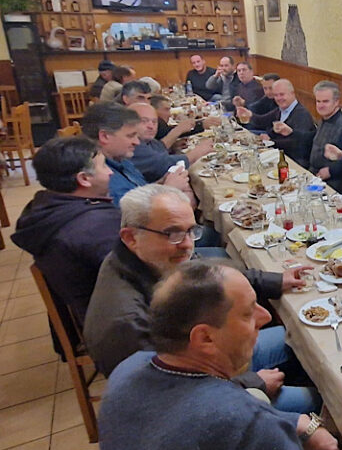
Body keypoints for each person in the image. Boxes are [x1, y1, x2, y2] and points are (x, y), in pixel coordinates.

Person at [98, 262, 342, 450]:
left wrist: (295, 423)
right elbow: (230, 420)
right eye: (248, 312)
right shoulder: (244, 423)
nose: (265, 317)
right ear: (205, 338)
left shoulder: (129, 368)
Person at [84, 185, 320, 414]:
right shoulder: (125, 323)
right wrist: (253, 383)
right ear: (131, 237)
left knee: (301, 337)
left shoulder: (147, 259)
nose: (188, 244)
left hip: (209, 363)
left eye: (191, 231)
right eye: (172, 233)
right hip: (201, 400)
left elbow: (211, 276)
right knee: (316, 399)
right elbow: (171, 399)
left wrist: (277, 281)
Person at [11, 136, 120, 338]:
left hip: (89, 311)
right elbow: (139, 274)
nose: (110, 172)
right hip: (113, 324)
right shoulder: (93, 228)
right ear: (84, 179)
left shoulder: (43, 207)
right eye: (104, 166)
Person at [80, 102, 191, 206]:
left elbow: (140, 192)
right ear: (105, 136)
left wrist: (162, 183)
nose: (136, 142)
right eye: (130, 136)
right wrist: (169, 190)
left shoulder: (120, 159)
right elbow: (133, 217)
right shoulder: (101, 178)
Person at [129, 103, 213, 183]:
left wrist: (172, 147)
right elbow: (163, 164)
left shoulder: (145, 140)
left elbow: (158, 147)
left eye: (154, 122)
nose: (151, 126)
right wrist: (198, 151)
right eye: (144, 121)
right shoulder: (133, 145)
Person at [240, 79, 316, 168]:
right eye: (276, 95)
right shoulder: (281, 110)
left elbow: (298, 143)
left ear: (292, 93)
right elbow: (262, 120)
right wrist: (250, 115)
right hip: (278, 153)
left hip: (294, 161)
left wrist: (271, 141)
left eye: (282, 94)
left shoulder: (301, 114)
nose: (279, 98)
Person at [308, 81, 342, 193]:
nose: (320, 105)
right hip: (314, 175)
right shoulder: (323, 120)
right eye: (318, 101)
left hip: (334, 183)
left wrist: (330, 171)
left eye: (325, 101)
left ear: (336, 102)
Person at [151, 94, 220, 148]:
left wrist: (172, 147)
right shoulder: (156, 124)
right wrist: (201, 124)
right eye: (166, 109)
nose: (170, 114)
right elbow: (167, 132)